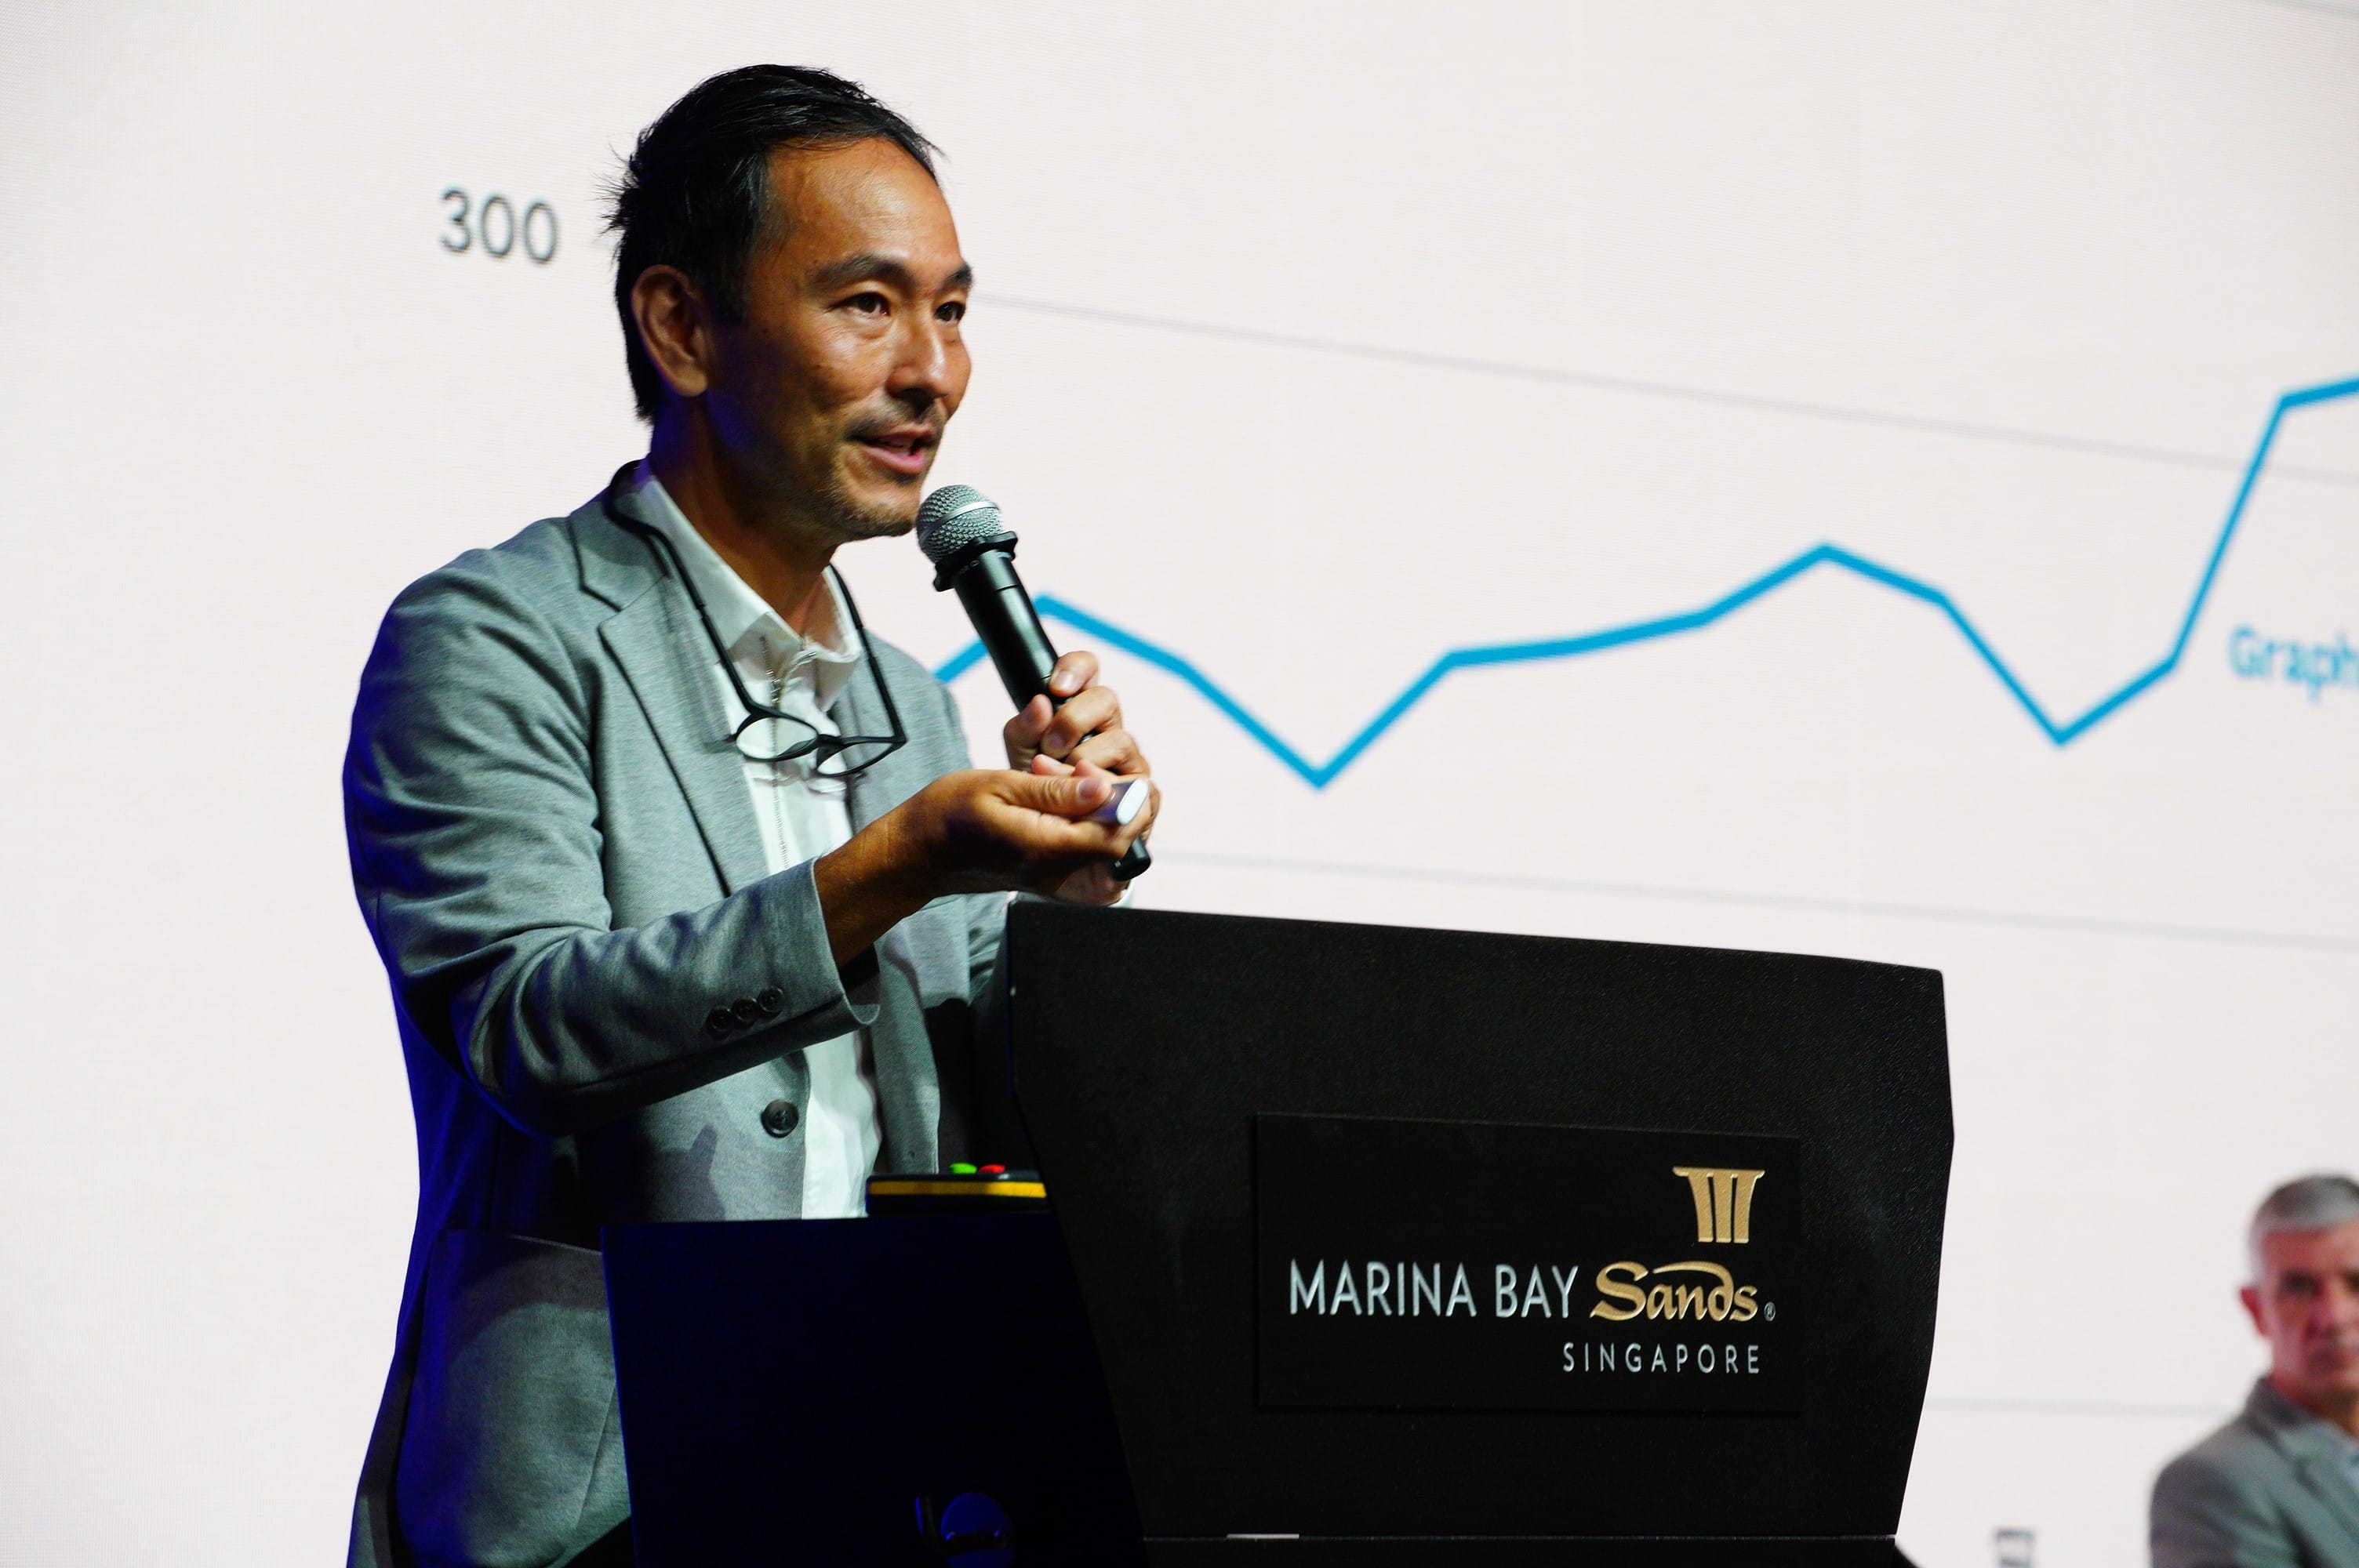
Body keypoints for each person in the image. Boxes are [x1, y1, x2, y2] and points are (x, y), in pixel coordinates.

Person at [341, 66, 1157, 1568]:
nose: (932, 372)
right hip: (599, 1506)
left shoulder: (911, 694)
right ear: (680, 327)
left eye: (954, 309)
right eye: (866, 304)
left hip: (897, 1489)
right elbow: (529, 1027)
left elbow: (973, 1110)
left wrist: (1070, 906)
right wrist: (896, 865)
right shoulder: (496, 636)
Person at [2153, 1174, 2359, 1568]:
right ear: (2255, 1308)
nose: (2334, 1317)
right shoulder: (2213, 1483)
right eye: (2300, 1289)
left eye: (2357, 1284)